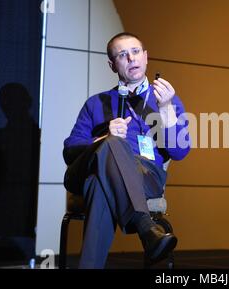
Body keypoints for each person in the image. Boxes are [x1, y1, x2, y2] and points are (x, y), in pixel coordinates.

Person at [63, 32, 190, 269]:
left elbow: (180, 152)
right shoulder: (96, 103)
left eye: (135, 52)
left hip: (146, 175)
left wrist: (167, 110)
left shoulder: (165, 99)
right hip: (91, 168)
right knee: (111, 144)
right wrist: (103, 138)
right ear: (113, 65)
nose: (131, 58)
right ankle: (146, 228)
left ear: (145, 57)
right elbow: (70, 150)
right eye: (122, 55)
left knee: (96, 184)